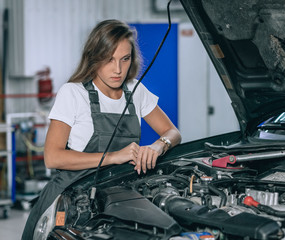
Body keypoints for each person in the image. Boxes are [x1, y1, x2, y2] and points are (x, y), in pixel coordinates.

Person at [22, 19, 181, 239]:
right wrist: (114, 157)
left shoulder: (135, 90)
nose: (118, 70)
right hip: (72, 196)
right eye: (109, 60)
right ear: (94, 58)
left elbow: (172, 133)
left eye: (125, 59)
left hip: (120, 194)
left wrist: (157, 146)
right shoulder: (73, 93)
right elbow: (52, 157)